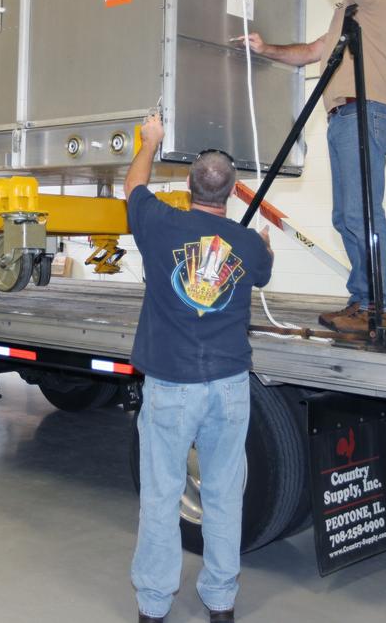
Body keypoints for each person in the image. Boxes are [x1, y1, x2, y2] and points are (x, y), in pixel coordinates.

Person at [125, 114, 273, 623]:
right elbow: (264, 270)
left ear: (187, 187)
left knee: (163, 496)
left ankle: (153, 606)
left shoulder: (159, 223)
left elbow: (134, 185)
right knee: (225, 495)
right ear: (231, 193)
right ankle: (220, 603)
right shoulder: (248, 243)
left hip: (171, 387)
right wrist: (263, 247)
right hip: (230, 388)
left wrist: (151, 140)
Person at [231, 0, 386, 336]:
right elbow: (312, 52)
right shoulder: (350, 12)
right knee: (347, 215)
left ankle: (381, 306)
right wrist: (266, 48)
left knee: (361, 213)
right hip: (349, 117)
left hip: (365, 114)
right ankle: (365, 301)